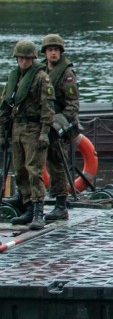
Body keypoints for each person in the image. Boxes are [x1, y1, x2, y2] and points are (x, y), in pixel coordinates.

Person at [0, 41, 53, 230]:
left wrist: (44, 133)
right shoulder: (14, 77)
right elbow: (5, 106)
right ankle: (28, 206)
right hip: (17, 128)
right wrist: (2, 133)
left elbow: (48, 107)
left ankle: (38, 211)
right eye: (21, 58)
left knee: (34, 170)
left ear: (33, 59)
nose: (23, 61)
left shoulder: (41, 78)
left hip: (33, 128)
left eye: (27, 58)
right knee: (20, 169)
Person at [39, 34, 80, 222]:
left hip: (58, 124)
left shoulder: (67, 74)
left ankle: (61, 204)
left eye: (56, 50)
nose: (53, 53)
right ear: (45, 53)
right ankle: (28, 199)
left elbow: (73, 105)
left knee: (57, 163)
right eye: (50, 50)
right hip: (41, 122)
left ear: (60, 52)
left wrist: (58, 123)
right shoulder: (40, 71)